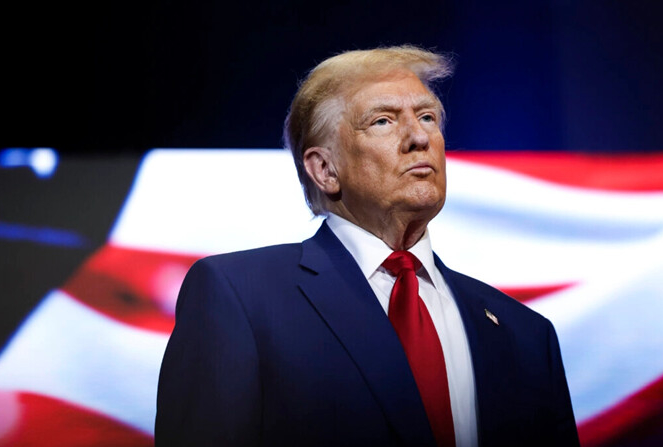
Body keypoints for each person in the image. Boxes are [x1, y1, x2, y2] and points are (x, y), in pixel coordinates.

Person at [155, 45, 580, 447]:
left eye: (428, 117)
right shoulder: (242, 298)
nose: (419, 137)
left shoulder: (526, 336)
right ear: (324, 169)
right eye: (383, 120)